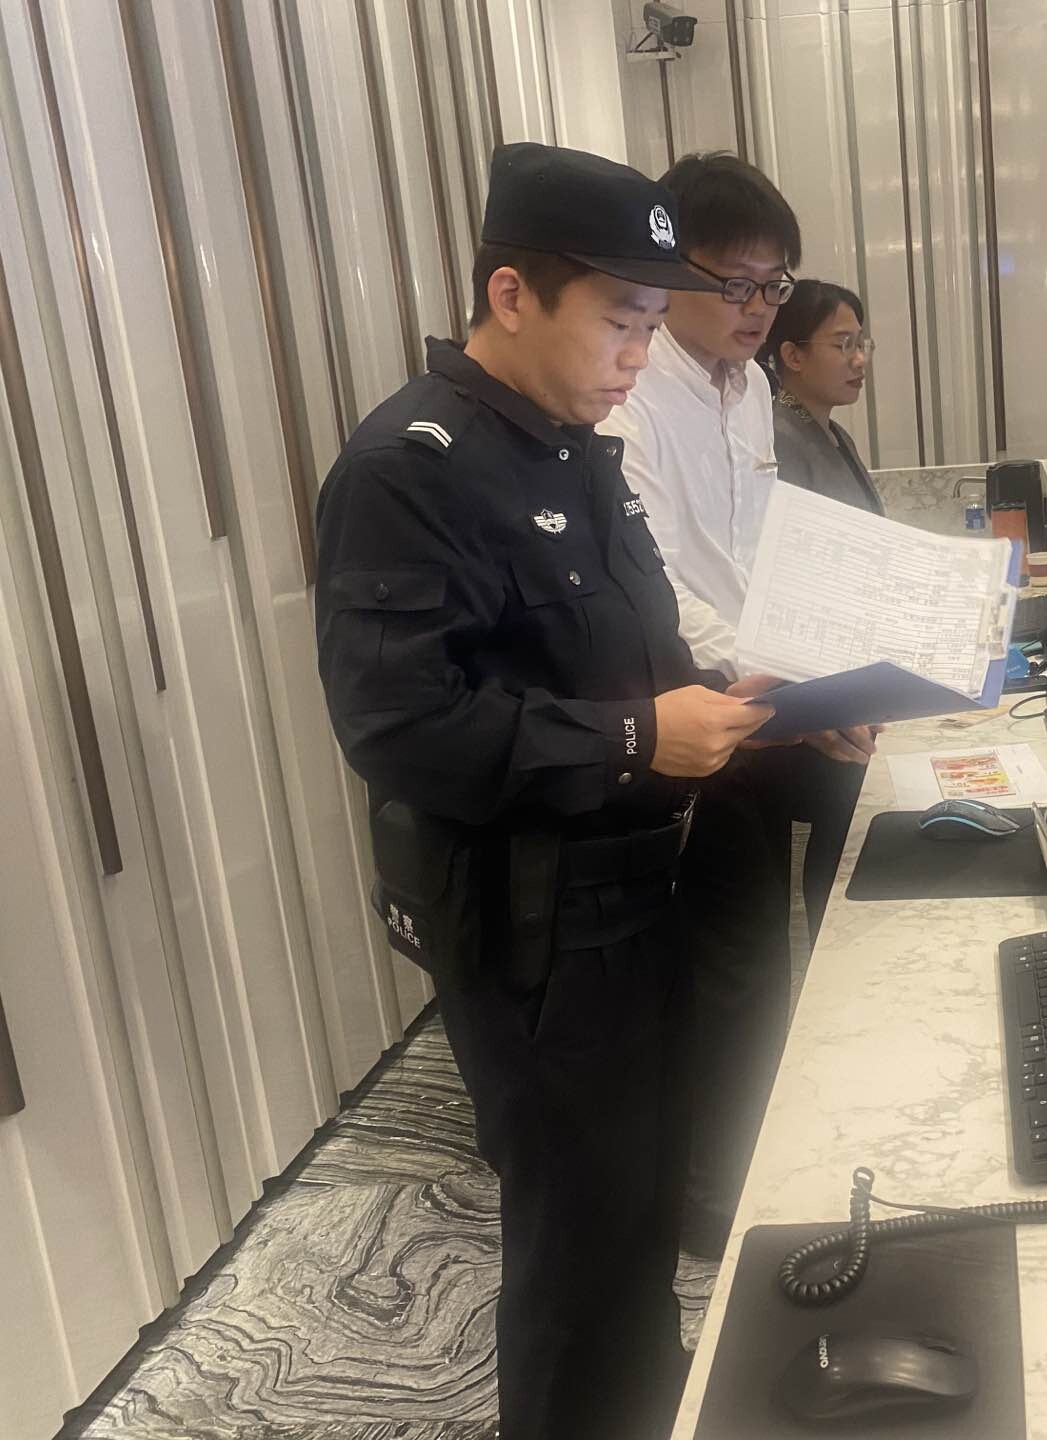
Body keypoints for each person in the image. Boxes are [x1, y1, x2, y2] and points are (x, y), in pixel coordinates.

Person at [314, 143, 776, 1440]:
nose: (639, 354)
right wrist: (635, 739)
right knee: (577, 1243)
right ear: (512, 296)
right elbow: (398, 723)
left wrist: (753, 698)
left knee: (639, 1215)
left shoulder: (574, 446)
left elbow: (638, 644)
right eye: (620, 320)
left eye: (652, 323)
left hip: (639, 896)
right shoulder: (412, 469)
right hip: (535, 928)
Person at [599, 154, 873, 1325]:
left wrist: (828, 664)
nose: (759, 308)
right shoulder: (633, 398)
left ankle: (766, 1160)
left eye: (776, 285)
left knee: (781, 952)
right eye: (736, 284)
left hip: (760, 696)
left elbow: (766, 554)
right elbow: (659, 587)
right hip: (689, 713)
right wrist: (781, 676)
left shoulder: (750, 387)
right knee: (732, 973)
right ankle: (710, 1221)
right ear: (672, 271)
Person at [765, 280, 883, 514]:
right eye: (843, 345)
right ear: (793, 356)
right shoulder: (778, 443)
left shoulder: (836, 433)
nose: (860, 360)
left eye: (860, 344)